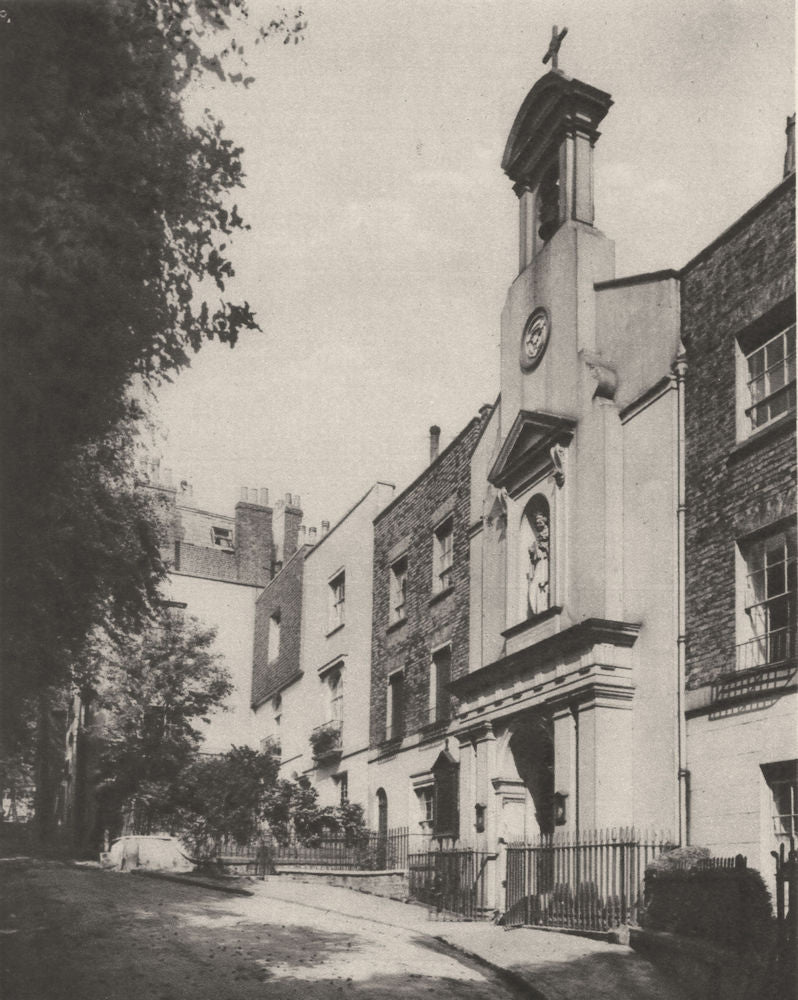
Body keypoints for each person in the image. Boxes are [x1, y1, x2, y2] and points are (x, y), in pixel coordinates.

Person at [527, 513, 549, 615]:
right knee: (533, 587)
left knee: (542, 584)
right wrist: (533, 551)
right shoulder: (537, 539)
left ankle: (542, 609)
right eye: (536, 523)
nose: (538, 524)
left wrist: (544, 548)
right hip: (539, 564)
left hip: (544, 563)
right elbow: (534, 557)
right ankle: (537, 610)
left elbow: (549, 551)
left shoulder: (548, 534)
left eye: (540, 522)